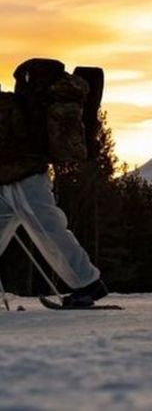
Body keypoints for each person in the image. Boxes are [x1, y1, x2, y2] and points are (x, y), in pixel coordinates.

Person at [0, 60, 107, 307]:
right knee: (49, 230)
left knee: (50, 232)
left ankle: (88, 285)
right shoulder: (14, 105)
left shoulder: (11, 108)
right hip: (13, 180)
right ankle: (87, 284)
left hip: (24, 179)